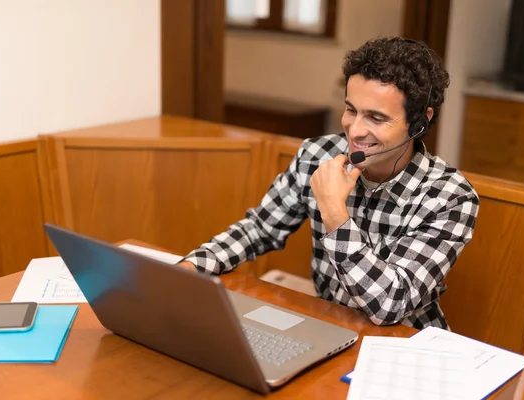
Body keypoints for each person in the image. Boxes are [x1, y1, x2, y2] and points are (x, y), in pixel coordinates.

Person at [179, 36, 479, 330]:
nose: (355, 130)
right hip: (329, 326)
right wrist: (191, 268)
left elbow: (390, 305)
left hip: (404, 342)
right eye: (351, 110)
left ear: (420, 122)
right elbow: (259, 229)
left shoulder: (451, 197)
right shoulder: (317, 155)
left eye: (375, 117)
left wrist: (334, 211)